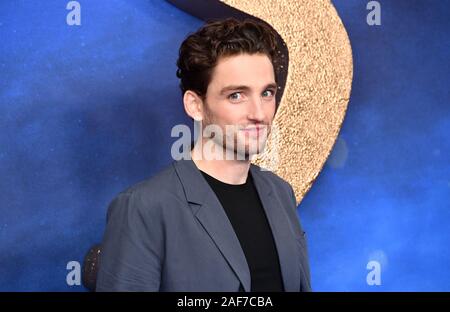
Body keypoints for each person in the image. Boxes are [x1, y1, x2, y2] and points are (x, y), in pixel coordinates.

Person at [96, 17, 311, 292]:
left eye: (267, 93)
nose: (259, 114)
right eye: (236, 95)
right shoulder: (144, 207)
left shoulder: (281, 193)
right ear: (195, 105)